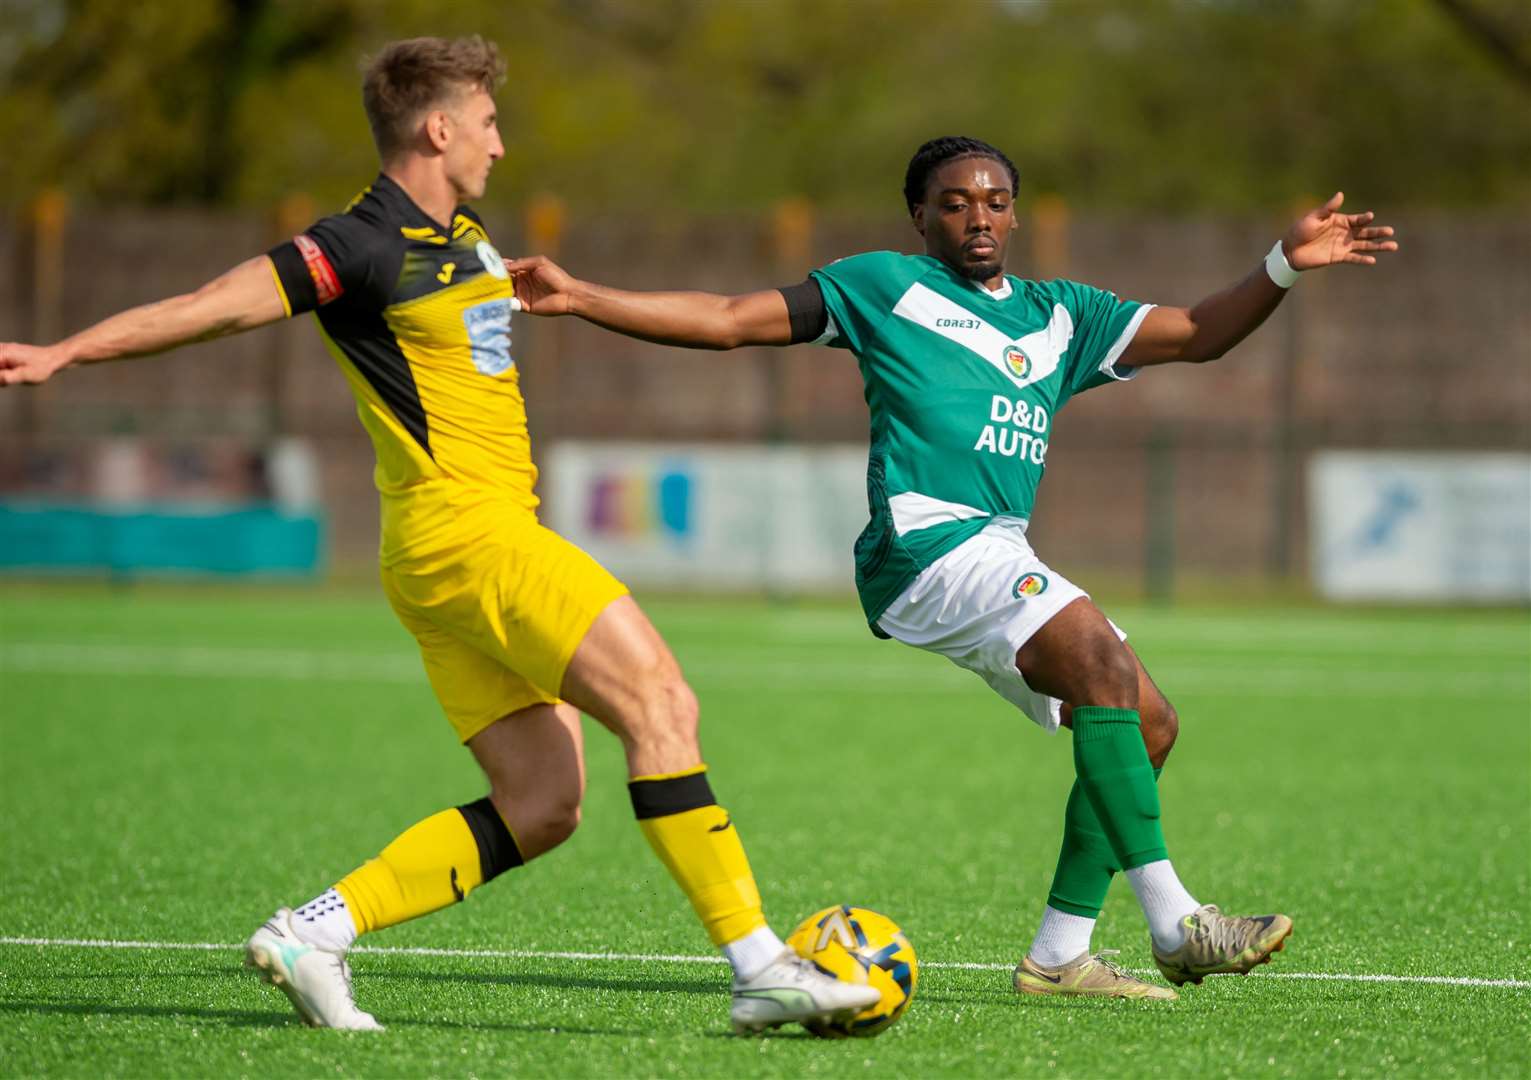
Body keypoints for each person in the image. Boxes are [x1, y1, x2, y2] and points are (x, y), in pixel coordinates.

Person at [0, 35, 881, 1034]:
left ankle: (313, 934)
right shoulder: (359, 243)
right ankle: (761, 965)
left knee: (544, 801)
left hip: (446, 551)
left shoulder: (468, 237)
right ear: (439, 127)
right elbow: (217, 306)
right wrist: (67, 350)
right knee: (661, 702)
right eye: (490, 122)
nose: (501, 145)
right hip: (468, 534)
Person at [503, 135, 1399, 1000]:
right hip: (924, 542)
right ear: (919, 217)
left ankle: (1060, 956)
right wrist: (583, 295)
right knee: (1099, 661)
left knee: (1145, 722)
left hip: (997, 546)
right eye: (955, 202)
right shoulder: (883, 286)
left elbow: (1201, 332)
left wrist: (1281, 265)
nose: (979, 216)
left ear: (1014, 217)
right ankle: (1177, 924)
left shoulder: (1062, 317)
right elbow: (731, 320)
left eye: (996, 202)